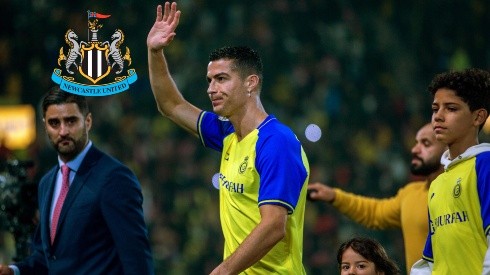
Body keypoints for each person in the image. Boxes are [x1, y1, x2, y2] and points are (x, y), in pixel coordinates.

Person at [147, 2, 310, 274]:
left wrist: (223, 271)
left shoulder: (276, 142)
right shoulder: (228, 133)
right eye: (210, 80)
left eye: (221, 79)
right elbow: (170, 105)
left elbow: (273, 226)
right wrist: (154, 52)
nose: (211, 89)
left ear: (251, 83)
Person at [0, 87, 154, 275]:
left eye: (71, 121)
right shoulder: (46, 183)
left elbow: (136, 258)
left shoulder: (114, 178)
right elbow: (47, 257)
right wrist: (14, 271)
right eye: (54, 123)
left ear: (88, 121)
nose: (63, 131)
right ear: (45, 125)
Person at [308, 122, 446, 273]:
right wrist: (334, 196)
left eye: (425, 143)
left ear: (447, 148)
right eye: (416, 143)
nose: (415, 149)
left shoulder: (461, 189)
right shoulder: (411, 194)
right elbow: (374, 212)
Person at [411, 68, 490, 274]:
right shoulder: (437, 183)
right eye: (435, 109)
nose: (438, 116)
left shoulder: (485, 164)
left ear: (478, 117)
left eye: (451, 108)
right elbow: (431, 259)